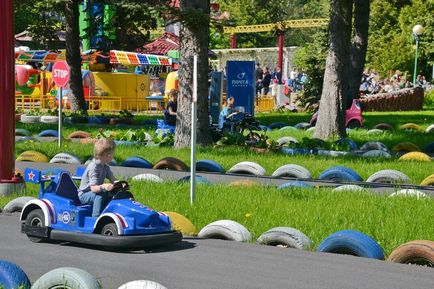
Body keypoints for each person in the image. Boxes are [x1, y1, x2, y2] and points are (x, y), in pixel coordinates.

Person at [78, 138, 117, 217]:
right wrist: (103, 186)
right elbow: (93, 188)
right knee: (101, 194)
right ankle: (95, 217)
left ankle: (110, 213)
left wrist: (120, 184)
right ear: (108, 155)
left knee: (112, 193)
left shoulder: (105, 166)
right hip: (84, 195)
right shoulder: (94, 168)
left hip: (96, 191)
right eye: (113, 154)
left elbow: (113, 179)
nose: (113, 156)